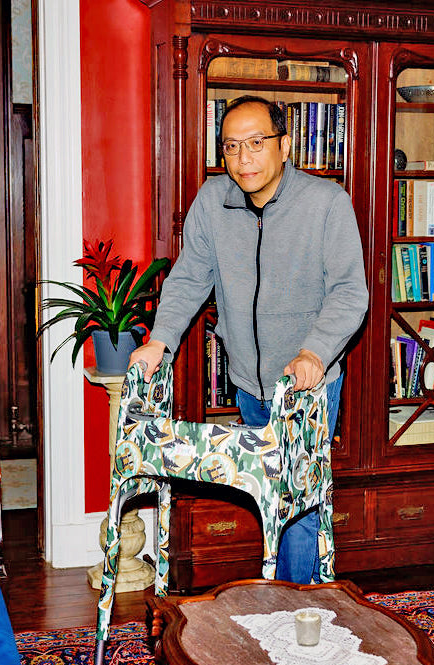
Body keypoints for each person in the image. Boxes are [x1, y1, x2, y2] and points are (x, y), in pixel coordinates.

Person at [130, 95, 368, 583]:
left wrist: (313, 353)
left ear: (285, 146)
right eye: (232, 147)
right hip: (247, 384)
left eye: (257, 143)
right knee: (272, 499)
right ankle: (291, 604)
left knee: (298, 506)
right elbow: (188, 279)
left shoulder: (326, 203)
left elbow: (349, 292)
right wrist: (160, 341)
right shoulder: (212, 202)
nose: (244, 159)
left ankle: (298, 612)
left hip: (307, 386)